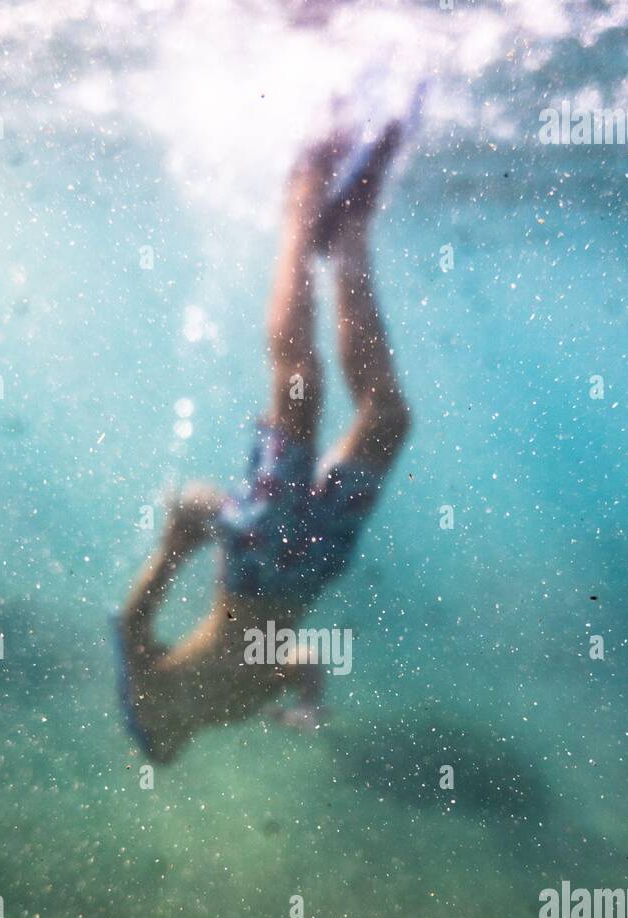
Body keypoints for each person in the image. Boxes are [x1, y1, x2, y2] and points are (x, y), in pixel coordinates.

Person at [117, 127, 410, 763]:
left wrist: (173, 546)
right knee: (388, 420)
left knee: (301, 386)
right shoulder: (227, 715)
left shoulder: (151, 700)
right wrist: (308, 700)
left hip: (259, 557)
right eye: (163, 749)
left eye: (155, 748)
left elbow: (131, 628)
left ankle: (303, 202)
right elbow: (290, 659)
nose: (161, 749)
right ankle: (351, 235)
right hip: (309, 571)